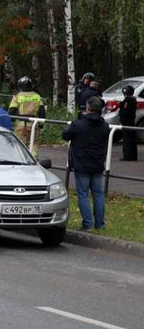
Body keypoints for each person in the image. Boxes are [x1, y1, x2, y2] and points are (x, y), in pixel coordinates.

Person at [62, 97, 110, 231]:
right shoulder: (105, 126)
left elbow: (65, 135)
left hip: (81, 163)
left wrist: (74, 123)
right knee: (98, 194)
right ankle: (100, 224)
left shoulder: (78, 124)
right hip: (98, 163)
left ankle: (87, 223)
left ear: (88, 108)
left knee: (83, 194)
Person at [8, 76, 45, 154]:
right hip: (33, 124)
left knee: (20, 146)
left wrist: (12, 121)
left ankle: (22, 162)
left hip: (20, 126)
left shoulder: (17, 96)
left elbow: (11, 111)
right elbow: (42, 112)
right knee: (34, 144)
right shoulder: (37, 96)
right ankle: (34, 161)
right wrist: (41, 125)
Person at [119, 85, 138, 161]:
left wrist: (122, 120)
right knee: (132, 139)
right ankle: (133, 156)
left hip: (127, 122)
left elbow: (125, 112)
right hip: (131, 121)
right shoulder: (133, 99)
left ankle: (127, 156)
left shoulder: (127, 100)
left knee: (127, 140)